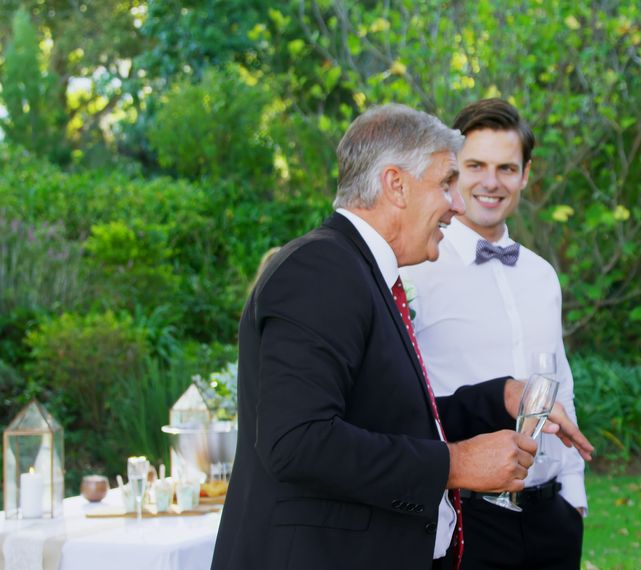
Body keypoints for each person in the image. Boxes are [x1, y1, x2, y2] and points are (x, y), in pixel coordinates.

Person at [210, 104, 593, 570]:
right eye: (445, 183)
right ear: (396, 185)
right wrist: (453, 465)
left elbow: (392, 421)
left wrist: (501, 396)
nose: (455, 203)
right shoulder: (319, 270)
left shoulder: (362, 273)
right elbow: (298, 441)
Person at [400, 99, 587, 570]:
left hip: (552, 517)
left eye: (507, 168)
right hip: (465, 514)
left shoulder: (543, 274)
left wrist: (574, 497)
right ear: (451, 172)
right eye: (475, 166)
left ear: (525, 175)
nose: (490, 182)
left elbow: (559, 381)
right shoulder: (417, 272)